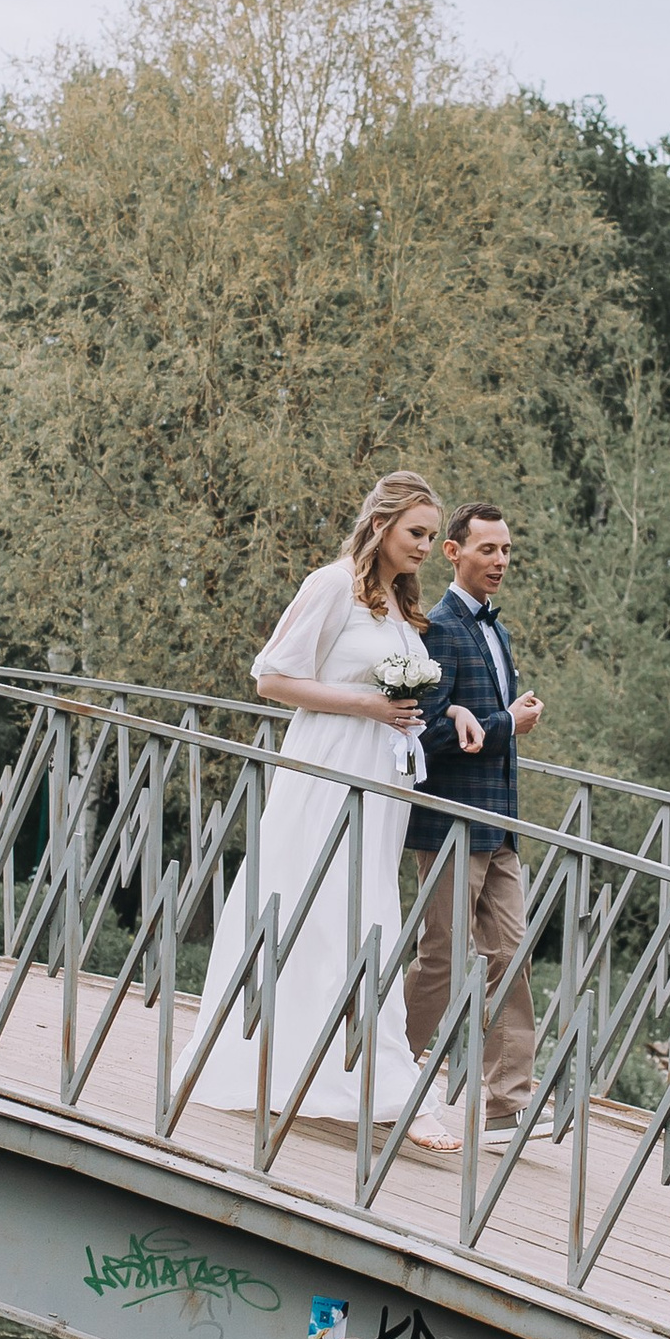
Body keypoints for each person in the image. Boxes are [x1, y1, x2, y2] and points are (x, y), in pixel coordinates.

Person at [177, 473, 464, 1146]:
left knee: (365, 917)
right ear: (381, 525)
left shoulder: (396, 605)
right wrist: (368, 704)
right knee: (315, 910)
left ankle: (355, 1078)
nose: (426, 545)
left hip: (380, 781)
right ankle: (389, 1091)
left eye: (430, 535)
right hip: (327, 771)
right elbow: (271, 677)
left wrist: (437, 709)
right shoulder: (332, 585)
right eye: (416, 532)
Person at [404, 501, 545, 1131]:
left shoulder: (498, 630)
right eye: (488, 549)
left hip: (500, 827)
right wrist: (504, 724)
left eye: (507, 550)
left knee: (510, 955)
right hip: (450, 826)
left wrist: (505, 724)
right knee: (440, 956)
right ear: (453, 552)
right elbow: (425, 734)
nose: (500, 561)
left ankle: (507, 1104)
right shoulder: (438, 628)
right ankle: (385, 1070)